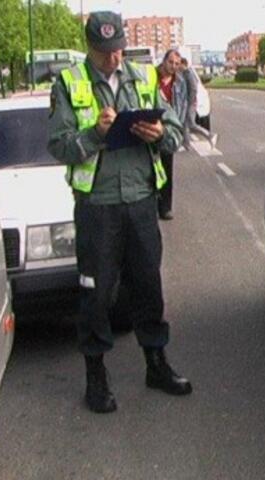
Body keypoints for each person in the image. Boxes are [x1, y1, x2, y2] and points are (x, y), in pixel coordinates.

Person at [47, 11, 191, 414]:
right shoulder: (69, 82)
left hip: (141, 201)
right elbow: (58, 145)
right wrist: (95, 134)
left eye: (119, 49)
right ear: (91, 48)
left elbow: (178, 131)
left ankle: (156, 363)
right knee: (96, 293)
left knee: (148, 285)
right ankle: (96, 375)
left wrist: (161, 134)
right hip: (98, 207)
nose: (115, 58)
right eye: (106, 52)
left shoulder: (143, 78)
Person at [156, 48, 189, 220]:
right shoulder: (151, 78)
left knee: (167, 169)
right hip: (152, 126)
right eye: (171, 62)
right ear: (164, 61)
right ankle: (151, 204)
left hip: (168, 130)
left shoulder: (180, 82)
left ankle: (165, 207)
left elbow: (182, 105)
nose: (173, 66)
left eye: (177, 64)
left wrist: (179, 129)